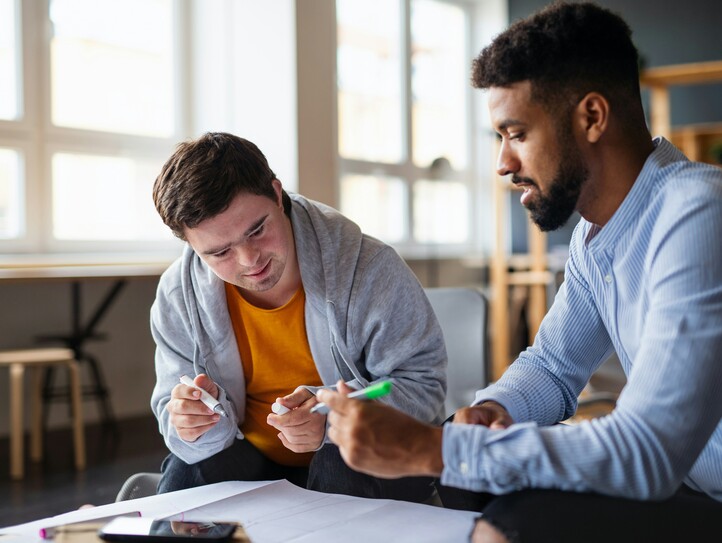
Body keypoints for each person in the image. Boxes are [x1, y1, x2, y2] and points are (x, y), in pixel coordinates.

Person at [316, 2, 722, 541]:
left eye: (516, 133)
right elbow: (554, 367)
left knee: (512, 515)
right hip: (688, 486)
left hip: (691, 486)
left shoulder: (697, 211)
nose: (504, 163)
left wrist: (428, 446)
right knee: (471, 481)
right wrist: (490, 409)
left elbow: (646, 450)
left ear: (592, 117)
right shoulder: (594, 237)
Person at [149, 132, 446, 503]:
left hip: (361, 456)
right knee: (187, 473)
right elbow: (171, 408)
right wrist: (192, 424)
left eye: (257, 230)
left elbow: (424, 386)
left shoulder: (368, 267)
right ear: (191, 246)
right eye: (220, 252)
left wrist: (333, 420)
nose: (249, 260)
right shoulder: (179, 294)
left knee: (343, 460)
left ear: (277, 194)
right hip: (254, 458)